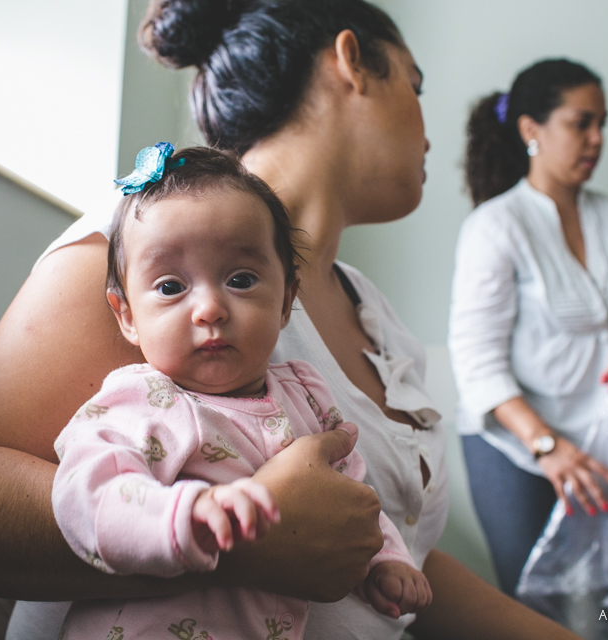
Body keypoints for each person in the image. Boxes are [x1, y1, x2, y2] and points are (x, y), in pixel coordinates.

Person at [0, 1, 583, 638]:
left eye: (247, 279)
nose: (431, 126)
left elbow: (380, 542)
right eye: (415, 86)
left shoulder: (378, 317)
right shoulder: (146, 260)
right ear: (350, 63)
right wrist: (242, 542)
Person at [51, 144, 429, 639]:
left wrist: (385, 559)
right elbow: (85, 493)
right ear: (126, 315)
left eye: (241, 279)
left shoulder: (308, 396)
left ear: (287, 298)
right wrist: (182, 516)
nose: (209, 308)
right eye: (170, 287)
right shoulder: (141, 400)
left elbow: (351, 497)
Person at [449, 58, 608, 597]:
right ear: (532, 130)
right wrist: (547, 447)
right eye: (581, 122)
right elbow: (477, 361)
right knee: (536, 607)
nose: (597, 138)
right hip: (515, 450)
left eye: (602, 124)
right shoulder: (497, 226)